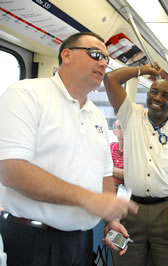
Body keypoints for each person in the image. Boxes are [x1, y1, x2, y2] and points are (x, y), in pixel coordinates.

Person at [0, 32, 138, 266]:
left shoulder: (95, 113)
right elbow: (11, 170)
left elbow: (104, 173)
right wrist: (89, 199)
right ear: (67, 55)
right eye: (95, 54)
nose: (103, 62)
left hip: (80, 241)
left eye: (107, 58)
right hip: (33, 239)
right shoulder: (27, 94)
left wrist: (109, 219)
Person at [104, 66, 168, 266]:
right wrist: (143, 69)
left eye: (165, 95)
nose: (157, 98)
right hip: (131, 208)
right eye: (153, 92)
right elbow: (110, 79)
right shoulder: (131, 116)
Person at [110, 120, 124, 190]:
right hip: (107, 184)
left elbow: (128, 176)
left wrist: (108, 169)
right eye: (120, 127)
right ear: (114, 132)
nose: (124, 128)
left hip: (124, 189)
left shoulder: (133, 151)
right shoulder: (110, 147)